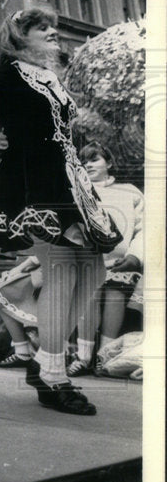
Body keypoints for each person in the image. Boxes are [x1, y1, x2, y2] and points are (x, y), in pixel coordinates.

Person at [0, 7, 121, 415]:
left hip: (68, 180)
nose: (53, 33)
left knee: (93, 269)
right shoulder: (11, 74)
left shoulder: (52, 77)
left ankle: (46, 359)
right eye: (42, 28)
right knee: (61, 271)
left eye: (54, 27)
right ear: (17, 37)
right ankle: (53, 373)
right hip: (35, 182)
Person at [69, 141, 144, 374]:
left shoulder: (130, 192)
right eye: (82, 161)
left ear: (109, 163)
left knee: (115, 291)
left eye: (94, 159)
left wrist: (135, 255)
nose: (87, 165)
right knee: (89, 290)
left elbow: (145, 228)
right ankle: (83, 356)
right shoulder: (74, 192)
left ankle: (104, 356)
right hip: (87, 259)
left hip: (122, 261)